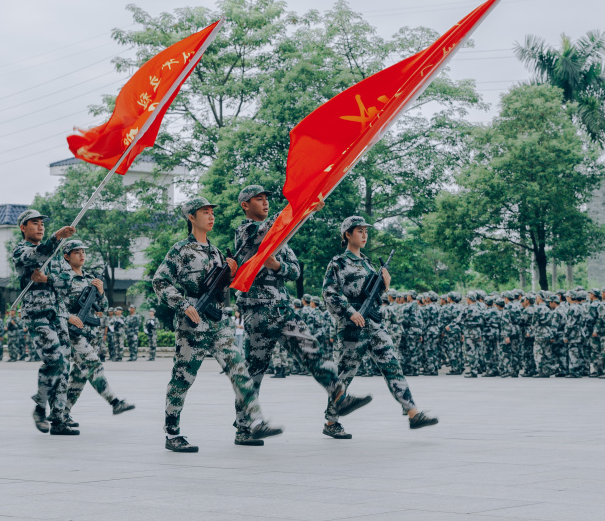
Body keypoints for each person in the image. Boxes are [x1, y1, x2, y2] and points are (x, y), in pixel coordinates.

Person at [231, 185, 371, 444]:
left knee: (310, 348)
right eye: (258, 199)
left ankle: (338, 396)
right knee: (254, 370)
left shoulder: (280, 241)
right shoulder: (246, 231)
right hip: (257, 308)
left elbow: (295, 270)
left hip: (282, 306)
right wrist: (302, 207)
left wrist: (279, 265)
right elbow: (270, 230)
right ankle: (244, 427)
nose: (265, 203)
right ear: (245, 205)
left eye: (266, 199)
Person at [152, 196, 283, 453]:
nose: (211, 216)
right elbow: (160, 281)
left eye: (212, 212)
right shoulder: (181, 250)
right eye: (205, 212)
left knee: (239, 368)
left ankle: (256, 421)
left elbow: (224, 287)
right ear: (191, 217)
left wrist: (231, 273)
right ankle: (172, 432)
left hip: (219, 321)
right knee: (183, 377)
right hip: (193, 322)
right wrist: (183, 304)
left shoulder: (216, 252)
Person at [322, 216, 438, 437]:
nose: (364, 235)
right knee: (345, 373)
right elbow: (329, 293)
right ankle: (331, 422)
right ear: (347, 234)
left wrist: (385, 285)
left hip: (374, 323)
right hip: (352, 324)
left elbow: (373, 293)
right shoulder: (338, 263)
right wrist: (350, 311)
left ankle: (413, 413)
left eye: (366, 231)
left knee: (392, 364)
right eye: (359, 231)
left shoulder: (368, 262)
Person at [11, 209, 79, 436]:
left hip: (58, 314)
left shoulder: (56, 253)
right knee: (55, 360)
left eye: (42, 223)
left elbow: (68, 280)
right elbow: (35, 256)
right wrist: (57, 237)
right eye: (34, 223)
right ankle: (40, 406)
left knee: (64, 366)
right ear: (23, 227)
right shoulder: (20, 250)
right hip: (37, 314)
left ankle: (58, 419)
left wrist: (47, 279)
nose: (40, 226)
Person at [57, 239, 135, 426]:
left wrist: (101, 292)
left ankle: (61, 414)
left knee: (79, 376)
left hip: (89, 333)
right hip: (71, 333)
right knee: (93, 365)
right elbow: (53, 304)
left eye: (83, 252)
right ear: (66, 256)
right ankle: (115, 402)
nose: (82, 255)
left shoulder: (89, 279)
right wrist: (68, 317)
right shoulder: (63, 278)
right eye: (77, 252)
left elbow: (103, 307)